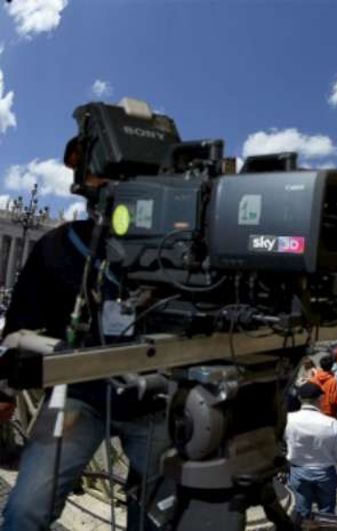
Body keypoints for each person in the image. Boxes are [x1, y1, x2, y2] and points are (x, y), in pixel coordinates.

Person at [0, 137, 170, 531]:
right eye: (92, 176)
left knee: (156, 519)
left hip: (154, 402)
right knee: (26, 508)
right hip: (77, 395)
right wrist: (6, 389)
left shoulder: (172, 251)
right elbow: (22, 323)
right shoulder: (60, 244)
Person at [284, 383, 337, 519]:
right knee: (326, 513)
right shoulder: (331, 423)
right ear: (320, 399)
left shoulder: (288, 420)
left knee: (301, 512)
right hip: (325, 472)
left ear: (299, 398)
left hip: (299, 471)